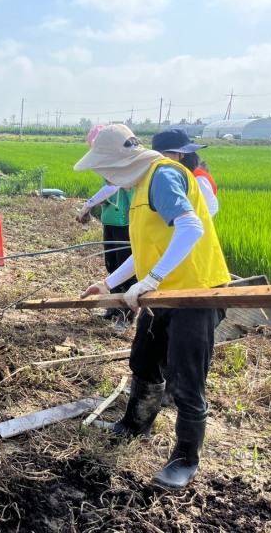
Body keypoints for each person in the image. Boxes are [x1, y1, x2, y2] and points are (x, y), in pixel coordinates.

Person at [76, 124, 229, 489]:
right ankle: (135, 425)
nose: (105, 177)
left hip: (195, 292)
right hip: (162, 293)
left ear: (119, 161)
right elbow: (145, 248)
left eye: (104, 169)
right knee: (144, 360)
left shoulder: (162, 175)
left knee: (186, 379)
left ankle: (185, 459)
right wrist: (109, 283)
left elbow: (191, 228)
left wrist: (152, 279)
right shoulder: (141, 185)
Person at [76, 125, 136, 326]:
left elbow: (113, 188)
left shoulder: (124, 163)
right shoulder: (110, 164)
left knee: (125, 267)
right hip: (111, 220)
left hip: (125, 222)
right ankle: (113, 307)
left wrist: (88, 204)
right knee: (112, 265)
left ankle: (126, 315)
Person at [151, 128, 218, 217]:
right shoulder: (157, 174)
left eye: (163, 154)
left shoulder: (197, 177)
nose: (160, 158)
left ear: (181, 155)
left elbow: (211, 205)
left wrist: (191, 222)